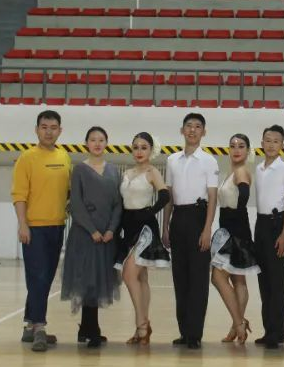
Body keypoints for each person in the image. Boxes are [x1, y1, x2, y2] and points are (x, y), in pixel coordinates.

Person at [12, 110, 71, 352]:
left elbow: (67, 191)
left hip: (57, 226)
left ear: (60, 131)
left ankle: (29, 325)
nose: (49, 132)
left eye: (53, 127)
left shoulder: (64, 156)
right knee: (37, 277)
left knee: (45, 278)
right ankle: (39, 328)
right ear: (36, 130)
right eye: (44, 127)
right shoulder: (27, 158)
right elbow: (19, 195)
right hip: (34, 228)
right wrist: (22, 224)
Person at [60, 126, 122, 348]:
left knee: (98, 281)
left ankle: (86, 329)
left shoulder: (114, 171)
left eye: (101, 139)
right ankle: (92, 330)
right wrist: (92, 230)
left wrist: (111, 229)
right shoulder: (79, 170)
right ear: (86, 143)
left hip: (106, 237)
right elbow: (76, 204)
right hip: (85, 235)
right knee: (88, 281)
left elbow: (118, 204)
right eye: (93, 139)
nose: (97, 143)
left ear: (106, 143)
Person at [162, 113, 219, 349]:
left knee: (198, 279)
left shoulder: (209, 161)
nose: (193, 130)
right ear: (182, 130)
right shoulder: (172, 160)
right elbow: (168, 196)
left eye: (197, 127)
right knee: (180, 277)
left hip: (198, 218)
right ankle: (184, 331)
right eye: (189, 126)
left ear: (204, 132)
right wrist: (165, 226)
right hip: (178, 218)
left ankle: (195, 333)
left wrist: (207, 229)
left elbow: (213, 197)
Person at [116, 132, 170, 346]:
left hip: (145, 228)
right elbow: (121, 202)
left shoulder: (152, 171)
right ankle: (143, 326)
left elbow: (165, 196)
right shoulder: (126, 173)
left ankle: (142, 325)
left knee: (129, 275)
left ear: (151, 150)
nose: (139, 151)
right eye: (136, 147)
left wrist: (150, 212)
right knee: (141, 278)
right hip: (128, 227)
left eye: (144, 147)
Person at [211, 133, 259, 345]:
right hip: (228, 228)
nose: (236, 149)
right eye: (233, 146)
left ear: (247, 151)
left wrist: (236, 216)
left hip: (236, 229)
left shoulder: (241, 171)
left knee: (218, 277)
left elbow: (244, 194)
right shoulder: (230, 172)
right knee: (238, 279)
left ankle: (238, 323)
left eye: (241, 146)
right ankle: (237, 325)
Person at [252, 124, 284, 349]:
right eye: (267, 141)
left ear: (282, 145)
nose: (271, 145)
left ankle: (276, 331)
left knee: (278, 281)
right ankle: (271, 329)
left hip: (278, 225)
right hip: (260, 225)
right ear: (262, 143)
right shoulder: (258, 168)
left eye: (276, 141)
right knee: (264, 281)